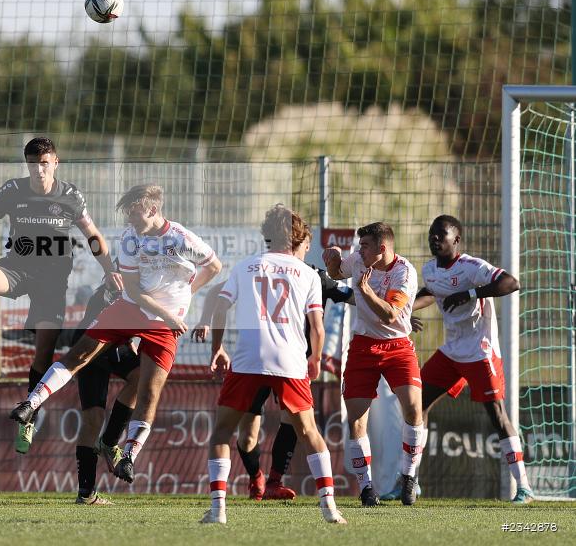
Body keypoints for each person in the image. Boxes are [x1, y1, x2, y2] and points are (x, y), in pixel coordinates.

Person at [10, 184, 221, 484]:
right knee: (80, 353)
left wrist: (186, 296)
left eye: (134, 214)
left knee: (149, 390)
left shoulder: (181, 239)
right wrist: (168, 314)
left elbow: (214, 266)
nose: (131, 221)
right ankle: (30, 404)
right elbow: (132, 289)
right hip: (134, 309)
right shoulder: (130, 239)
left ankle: (129, 455)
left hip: (164, 325)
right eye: (127, 215)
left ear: (152, 210)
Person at [0, 137, 121, 455]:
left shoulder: (70, 195)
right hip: (17, 267)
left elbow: (93, 236)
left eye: (45, 163)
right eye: (33, 164)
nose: (39, 170)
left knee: (41, 357)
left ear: (55, 163)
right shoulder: (12, 190)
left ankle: (28, 419)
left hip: (51, 283)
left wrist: (109, 270)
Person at [202, 205, 346, 525]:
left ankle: (217, 510)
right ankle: (330, 508)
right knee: (309, 432)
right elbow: (318, 327)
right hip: (289, 359)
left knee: (222, 432)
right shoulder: (307, 273)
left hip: (248, 357)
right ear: (297, 237)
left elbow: (221, 308)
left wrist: (218, 348)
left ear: (266, 235)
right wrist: (316, 358)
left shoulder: (245, 267)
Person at [412, 214, 531, 503]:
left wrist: (470, 293)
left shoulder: (471, 267)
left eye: (442, 234)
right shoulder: (429, 269)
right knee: (416, 405)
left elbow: (510, 283)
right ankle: (409, 482)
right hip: (451, 351)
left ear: (457, 239)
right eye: (432, 233)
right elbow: (431, 292)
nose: (435, 238)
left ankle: (524, 488)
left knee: (497, 416)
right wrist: (401, 313)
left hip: (480, 351)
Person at [323, 221, 425, 507]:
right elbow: (336, 272)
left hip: (397, 346)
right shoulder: (358, 259)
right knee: (356, 418)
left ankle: (408, 475)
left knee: (414, 408)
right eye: (359, 246)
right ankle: (367, 488)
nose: (359, 251)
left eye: (365, 246)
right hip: (363, 345)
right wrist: (331, 260)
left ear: (382, 249)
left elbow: (390, 315)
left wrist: (365, 290)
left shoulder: (404, 272)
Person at [71, 282, 141, 505]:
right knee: (92, 419)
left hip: (110, 341)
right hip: (97, 340)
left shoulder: (143, 277)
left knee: (141, 378)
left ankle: (109, 442)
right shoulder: (123, 279)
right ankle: (86, 492)